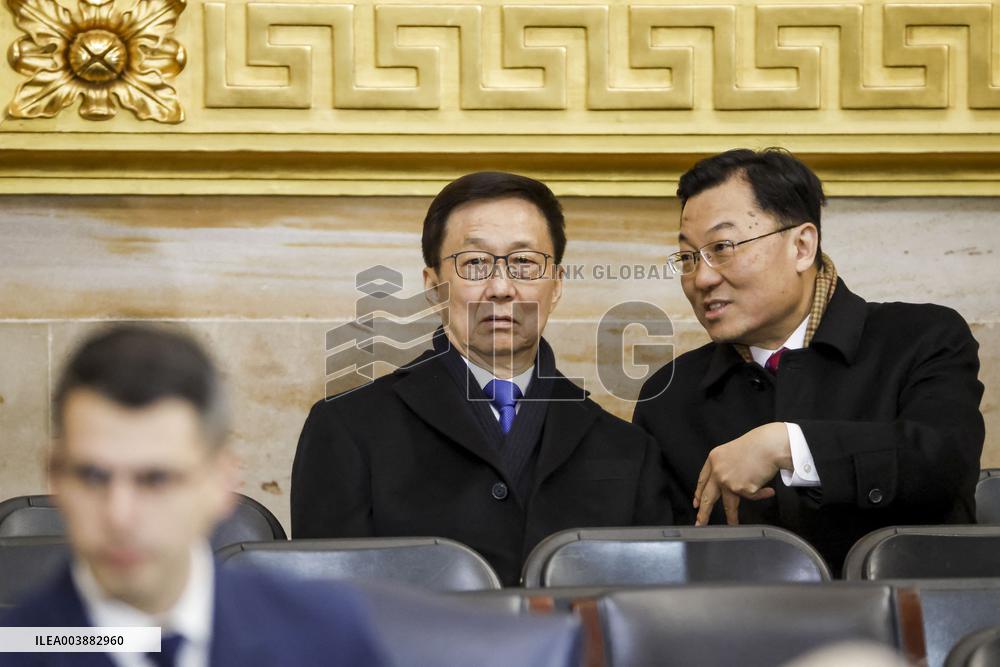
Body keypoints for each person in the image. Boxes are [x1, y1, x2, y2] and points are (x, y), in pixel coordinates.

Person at [292, 171, 673, 585]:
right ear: (434, 286)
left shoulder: (628, 450)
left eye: (524, 263)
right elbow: (326, 614)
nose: (501, 287)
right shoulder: (348, 430)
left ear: (557, 285)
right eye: (475, 263)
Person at [633, 148, 984, 574]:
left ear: (802, 246)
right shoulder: (670, 394)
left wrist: (789, 446)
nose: (702, 278)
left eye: (722, 247)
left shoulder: (921, 337)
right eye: (689, 257)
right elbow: (658, 561)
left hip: (909, 627)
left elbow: (942, 461)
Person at [0, 325, 390, 666]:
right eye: (93, 476)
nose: (120, 515)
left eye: (157, 479)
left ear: (221, 482)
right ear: (54, 476)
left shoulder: (326, 639)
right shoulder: (12, 649)